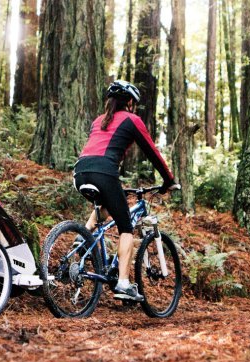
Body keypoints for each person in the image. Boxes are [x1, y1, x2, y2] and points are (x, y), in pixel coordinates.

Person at [73, 80, 176, 302]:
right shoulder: (132, 120)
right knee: (126, 228)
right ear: (130, 101)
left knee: (105, 205)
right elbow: (153, 153)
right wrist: (168, 180)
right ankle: (123, 283)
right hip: (104, 173)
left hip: (80, 172)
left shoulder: (98, 121)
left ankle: (81, 237)